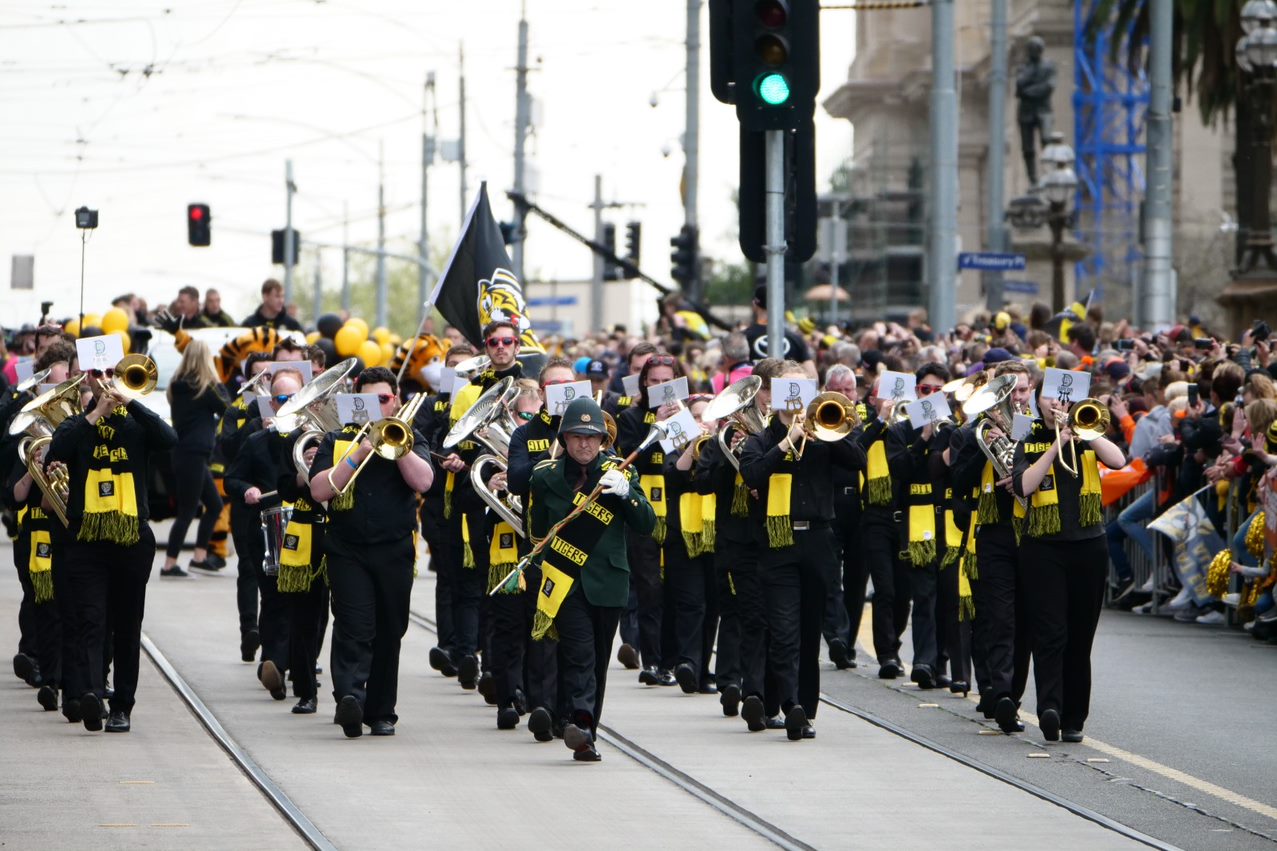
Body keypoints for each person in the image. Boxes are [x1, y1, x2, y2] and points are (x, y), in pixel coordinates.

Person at [47, 339, 178, 733]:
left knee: (126, 625)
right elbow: (60, 447)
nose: (105, 383)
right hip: (86, 542)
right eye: (98, 376)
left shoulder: (136, 424)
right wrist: (94, 413)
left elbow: (169, 440)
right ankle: (91, 695)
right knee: (90, 620)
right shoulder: (76, 424)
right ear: (86, 379)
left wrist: (129, 399)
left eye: (111, 375)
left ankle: (123, 705)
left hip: (131, 542)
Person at [740, 359, 866, 740]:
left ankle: (805, 710)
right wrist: (786, 441)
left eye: (802, 390)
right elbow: (752, 474)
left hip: (818, 541)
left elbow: (858, 461)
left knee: (811, 631)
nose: (796, 400)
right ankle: (790, 703)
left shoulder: (823, 436)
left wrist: (828, 431)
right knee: (783, 630)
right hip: (778, 544)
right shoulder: (760, 439)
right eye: (789, 391)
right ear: (776, 395)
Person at [527, 396, 655, 761]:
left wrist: (628, 494)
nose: (584, 444)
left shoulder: (620, 471)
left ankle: (587, 732)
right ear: (565, 439)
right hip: (565, 581)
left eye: (592, 437)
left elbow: (647, 524)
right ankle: (579, 720)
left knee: (597, 659)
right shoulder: (545, 476)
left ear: (602, 440)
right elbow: (536, 531)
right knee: (579, 653)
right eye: (577, 436)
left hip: (608, 581)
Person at [310, 367, 434, 738]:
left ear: (394, 400)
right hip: (347, 549)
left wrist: (393, 446)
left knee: (389, 629)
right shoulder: (336, 439)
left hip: (394, 549)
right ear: (354, 402)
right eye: (367, 400)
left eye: (383, 399)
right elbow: (318, 491)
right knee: (353, 625)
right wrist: (360, 451)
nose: (376, 406)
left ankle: (381, 710)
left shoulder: (410, 438)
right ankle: (349, 697)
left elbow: (424, 481)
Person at [1013, 378, 1126, 743]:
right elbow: (1024, 485)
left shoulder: (1087, 432)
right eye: (1048, 395)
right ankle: (1050, 707)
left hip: (1088, 544)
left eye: (1065, 396)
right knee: (1050, 633)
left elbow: (1119, 460)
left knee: (1080, 635)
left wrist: (1083, 431)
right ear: (1037, 399)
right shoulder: (1026, 436)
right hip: (1043, 546)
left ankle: (1075, 716)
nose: (1056, 402)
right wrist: (1055, 445)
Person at [949, 360, 1035, 733]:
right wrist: (983, 449)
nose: (1017, 398)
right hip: (994, 530)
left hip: (1032, 531)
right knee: (997, 617)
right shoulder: (977, 432)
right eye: (1011, 391)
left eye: (1022, 390)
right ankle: (1000, 694)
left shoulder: (1040, 429)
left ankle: (1009, 695)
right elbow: (959, 479)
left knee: (1025, 622)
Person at [225, 369, 304, 702]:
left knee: (306, 604)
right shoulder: (257, 441)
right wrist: (248, 489)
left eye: (294, 399)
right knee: (272, 599)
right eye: (282, 399)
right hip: (267, 528)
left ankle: (297, 665)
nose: (287, 405)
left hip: (305, 527)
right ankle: (274, 664)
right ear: (271, 403)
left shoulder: (313, 439)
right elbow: (232, 479)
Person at [615, 352, 683, 686]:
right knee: (648, 587)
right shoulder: (630, 417)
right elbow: (627, 459)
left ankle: (677, 659)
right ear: (644, 383)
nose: (660, 387)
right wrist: (657, 422)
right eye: (654, 381)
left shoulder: (686, 413)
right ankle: (653, 661)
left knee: (677, 588)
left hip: (679, 510)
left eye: (666, 382)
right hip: (644, 511)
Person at [161, 340, 228, 576]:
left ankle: (199, 557)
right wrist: (219, 382)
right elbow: (227, 409)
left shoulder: (176, 386)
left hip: (185, 453)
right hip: (194, 453)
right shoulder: (206, 389)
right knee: (188, 511)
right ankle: (169, 564)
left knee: (214, 505)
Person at [743, 286, 815, 376]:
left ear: (754, 304)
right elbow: (812, 376)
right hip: (787, 389)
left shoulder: (742, 338)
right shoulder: (795, 339)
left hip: (754, 388)